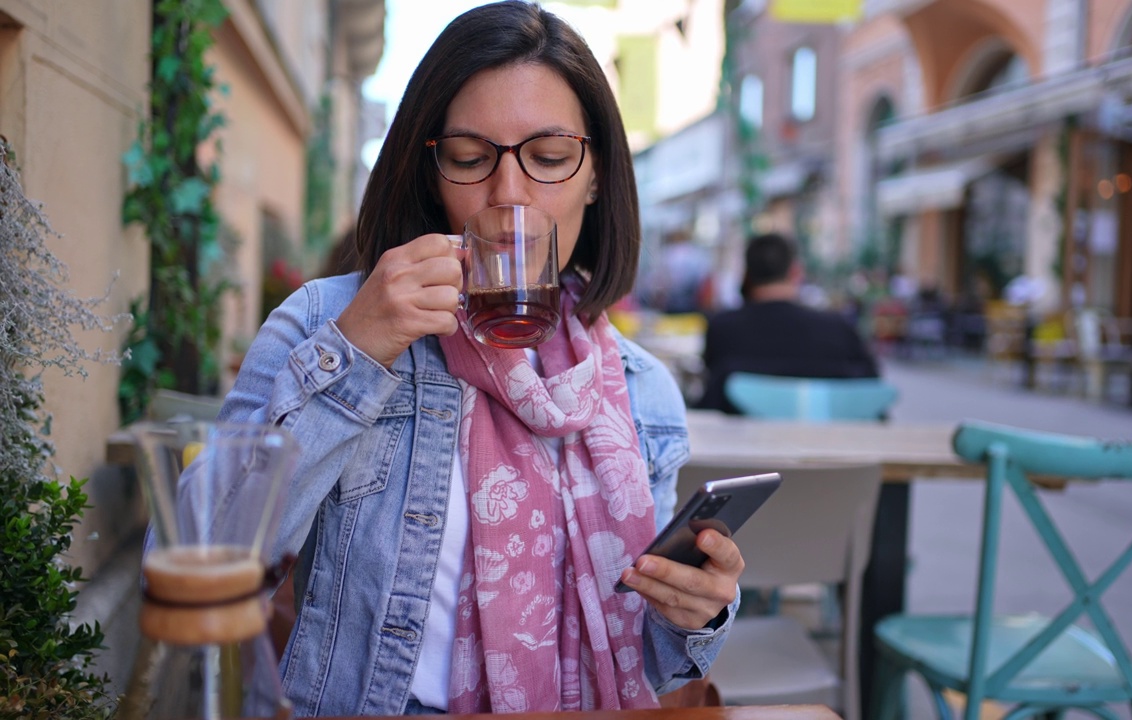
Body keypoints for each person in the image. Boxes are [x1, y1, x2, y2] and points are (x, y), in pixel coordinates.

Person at [214, 2, 742, 714]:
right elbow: (213, 550)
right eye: (470, 159)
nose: (509, 194)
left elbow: (646, 664)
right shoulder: (327, 322)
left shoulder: (640, 390)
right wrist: (357, 352)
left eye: (550, 159)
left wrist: (694, 612)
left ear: (595, 176)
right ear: (429, 172)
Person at [696, 232, 880, 413]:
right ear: (795, 271)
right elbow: (873, 394)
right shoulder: (840, 329)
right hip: (830, 440)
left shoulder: (722, 328)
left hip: (740, 441)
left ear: (747, 275)